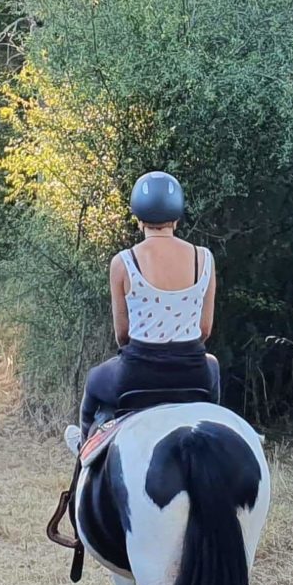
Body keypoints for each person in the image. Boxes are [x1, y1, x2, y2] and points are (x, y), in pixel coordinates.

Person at [74, 170, 221, 441]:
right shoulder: (205, 259)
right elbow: (205, 329)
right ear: (176, 218)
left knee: (95, 380)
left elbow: (122, 335)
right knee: (213, 366)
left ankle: (85, 449)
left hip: (137, 375)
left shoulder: (124, 262)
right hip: (194, 375)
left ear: (138, 218)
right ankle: (211, 430)